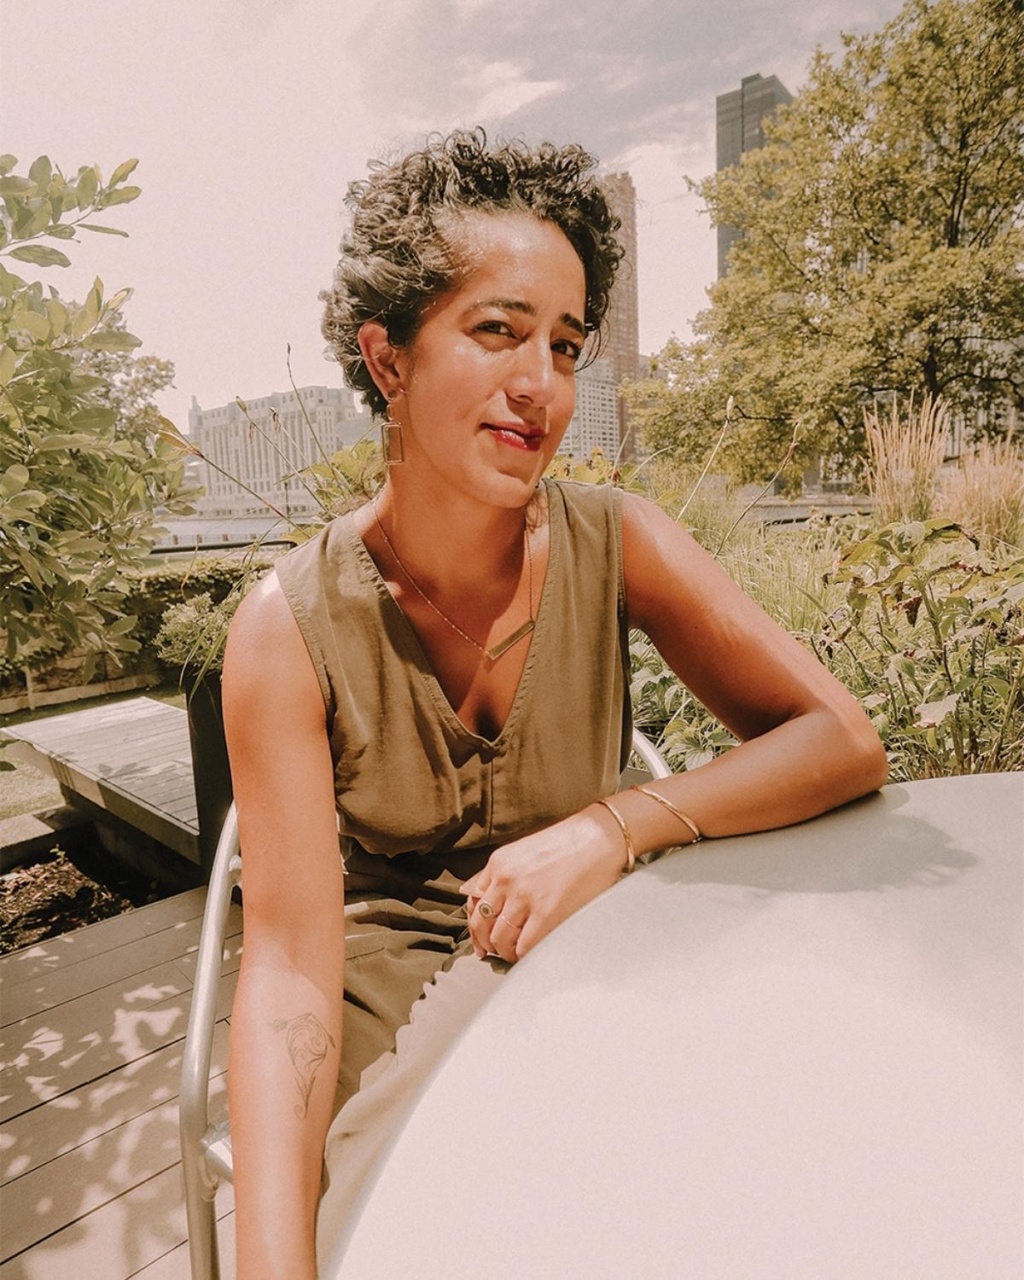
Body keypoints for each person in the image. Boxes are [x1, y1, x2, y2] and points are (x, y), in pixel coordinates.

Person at [222, 128, 888, 1279]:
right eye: (497, 330)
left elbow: (840, 737)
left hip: (604, 979)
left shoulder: (621, 542)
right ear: (387, 360)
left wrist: (611, 826)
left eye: (567, 345)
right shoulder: (286, 629)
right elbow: (285, 962)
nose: (542, 385)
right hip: (403, 1030)